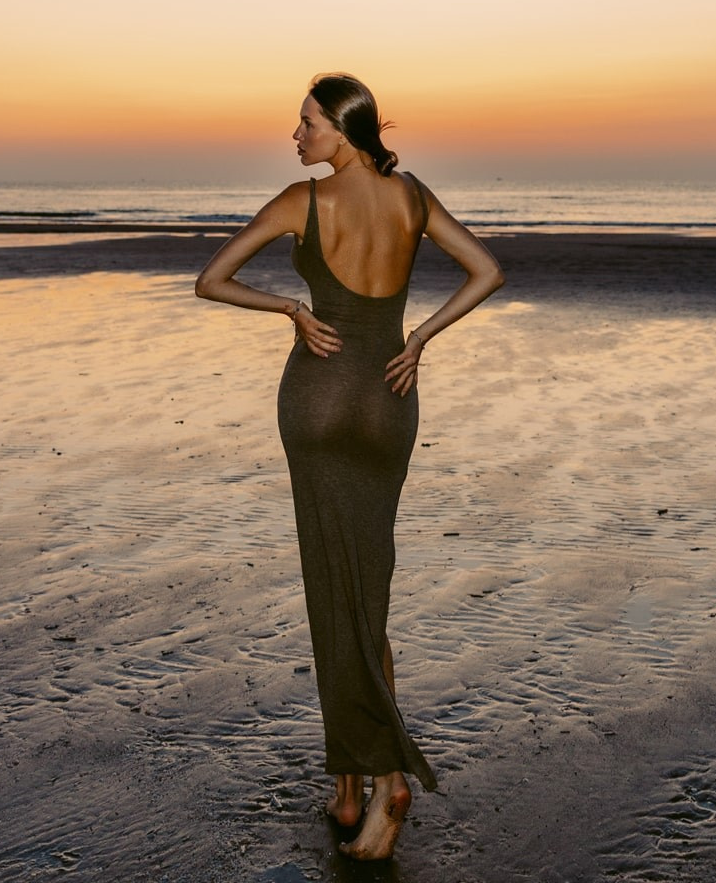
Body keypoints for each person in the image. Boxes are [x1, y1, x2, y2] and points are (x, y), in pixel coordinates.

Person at [195, 73, 505, 860]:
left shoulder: (301, 202)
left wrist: (293, 309)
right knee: (365, 594)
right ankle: (348, 786)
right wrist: (421, 336)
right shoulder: (413, 197)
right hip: (389, 402)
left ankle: (390, 778)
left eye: (305, 123)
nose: (295, 136)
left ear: (342, 128)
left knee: (335, 599)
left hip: (319, 405)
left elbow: (211, 280)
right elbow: (487, 271)